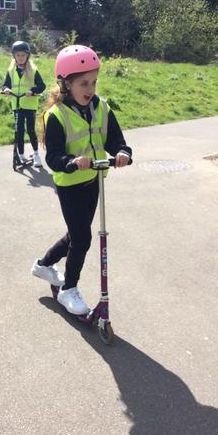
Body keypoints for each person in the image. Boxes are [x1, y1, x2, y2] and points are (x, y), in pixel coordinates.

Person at [31, 45, 132, 315]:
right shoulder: (56, 115)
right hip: (70, 185)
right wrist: (71, 162)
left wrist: (122, 152)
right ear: (66, 84)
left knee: (76, 235)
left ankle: (43, 265)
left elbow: (115, 139)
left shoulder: (102, 107)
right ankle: (68, 289)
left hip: (94, 181)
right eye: (84, 83)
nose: (91, 89)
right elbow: (53, 156)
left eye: (94, 82)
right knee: (82, 238)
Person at [1, 41, 46, 167]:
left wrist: (32, 91)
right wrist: (6, 89)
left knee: (30, 130)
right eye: (18, 55)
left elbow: (42, 86)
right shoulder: (11, 71)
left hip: (30, 105)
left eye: (23, 55)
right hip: (17, 105)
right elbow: (5, 85)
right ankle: (21, 155)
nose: (20, 58)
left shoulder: (33, 71)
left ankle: (36, 154)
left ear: (27, 56)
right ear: (14, 56)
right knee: (19, 131)